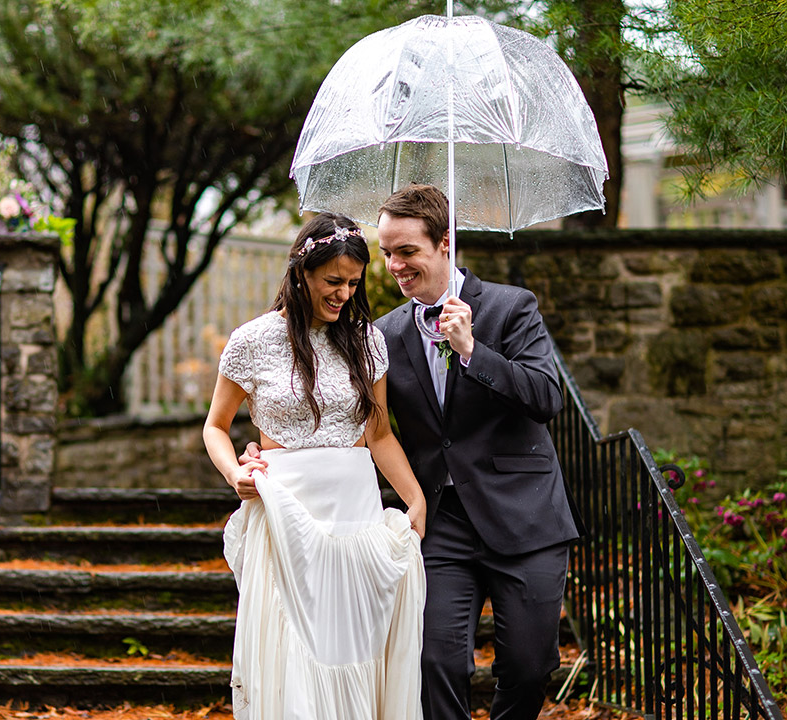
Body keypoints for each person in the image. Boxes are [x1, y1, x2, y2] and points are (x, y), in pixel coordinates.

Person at [204, 212, 428, 720]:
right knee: (295, 651)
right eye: (333, 281)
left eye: (352, 283)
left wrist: (414, 498)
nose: (344, 294)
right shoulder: (252, 341)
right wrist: (233, 473)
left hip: (354, 513)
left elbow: (378, 433)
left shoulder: (367, 341)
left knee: (354, 645)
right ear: (301, 272)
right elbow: (215, 427)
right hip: (287, 513)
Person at [372, 183, 581, 720]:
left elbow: (545, 397)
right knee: (435, 662)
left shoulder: (512, 307)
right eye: (387, 252)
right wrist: (272, 452)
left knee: (530, 667)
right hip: (441, 523)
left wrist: (472, 350)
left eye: (407, 251)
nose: (394, 265)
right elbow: (365, 426)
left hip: (525, 515)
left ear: (446, 242)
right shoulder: (384, 334)